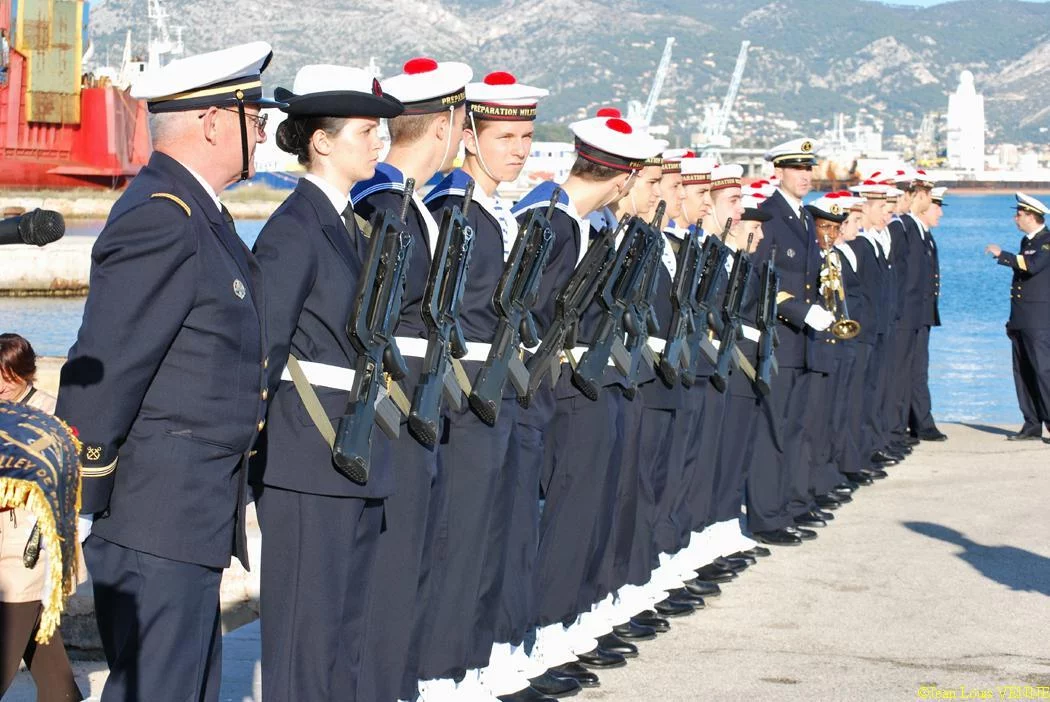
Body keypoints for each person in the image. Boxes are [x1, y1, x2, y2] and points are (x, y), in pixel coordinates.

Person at [55, 42, 281, 702]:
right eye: (254, 115)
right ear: (213, 121)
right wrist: (80, 502)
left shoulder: (199, 214)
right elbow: (105, 370)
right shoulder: (163, 217)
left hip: (187, 516)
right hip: (157, 521)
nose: (262, 130)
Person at [250, 64, 404, 701]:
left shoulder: (349, 224)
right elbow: (261, 352)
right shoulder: (293, 230)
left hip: (352, 451)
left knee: (343, 630)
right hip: (306, 457)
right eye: (366, 130)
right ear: (320, 140)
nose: (379, 143)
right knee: (305, 639)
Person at [422, 70, 571, 702]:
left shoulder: (496, 213)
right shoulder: (452, 212)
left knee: (493, 535)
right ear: (469, 137)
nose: (520, 149)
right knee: (460, 541)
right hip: (464, 399)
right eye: (505, 135)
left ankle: (476, 661)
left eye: (528, 135)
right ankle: (440, 672)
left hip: (500, 395)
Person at [513, 112, 661, 686]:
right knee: (568, 515)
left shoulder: (582, 225)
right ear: (622, 179)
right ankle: (547, 634)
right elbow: (533, 318)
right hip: (560, 389)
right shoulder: (551, 224)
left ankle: (566, 627)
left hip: (579, 384)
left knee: (584, 512)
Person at [348, 56, 473, 702]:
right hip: (389, 420)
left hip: (414, 418)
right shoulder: (383, 208)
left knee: (407, 577)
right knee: (386, 586)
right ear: (447, 125)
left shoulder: (410, 206)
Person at [750, 138, 833, 547]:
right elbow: (760, 278)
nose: (805, 175)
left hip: (804, 342)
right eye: (797, 168)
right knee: (773, 430)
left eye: (809, 168)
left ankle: (787, 506)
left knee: (796, 428)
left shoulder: (803, 218)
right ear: (778, 172)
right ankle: (766, 517)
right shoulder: (769, 216)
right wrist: (799, 312)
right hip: (781, 337)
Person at [0, 333, 83, 701]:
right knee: (50, 667)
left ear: (25, 374)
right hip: (10, 546)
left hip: (31, 548)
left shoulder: (50, 414)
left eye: (6, 376)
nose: (0, 386)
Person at [985, 193, 1050, 442]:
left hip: (1039, 321)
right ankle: (1031, 423)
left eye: (1020, 214)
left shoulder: (1046, 241)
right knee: (1022, 372)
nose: (1016, 218)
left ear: (1032, 216)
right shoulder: (1028, 240)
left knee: (1043, 371)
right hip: (1022, 319)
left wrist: (1003, 255)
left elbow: (1032, 265)